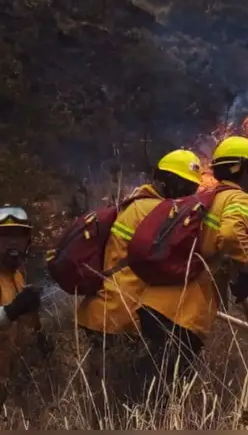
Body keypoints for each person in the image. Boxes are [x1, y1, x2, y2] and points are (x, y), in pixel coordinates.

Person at [134, 136, 248, 399]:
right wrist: (245, 271)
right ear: (240, 170)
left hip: (154, 302)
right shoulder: (240, 199)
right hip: (184, 313)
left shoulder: (204, 198)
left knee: (149, 384)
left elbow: (210, 242)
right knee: (165, 394)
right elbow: (230, 235)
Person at [74, 149, 202, 405]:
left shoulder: (137, 203)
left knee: (103, 396)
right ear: (166, 181)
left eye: (191, 188)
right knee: (121, 399)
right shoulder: (156, 211)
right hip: (120, 315)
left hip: (102, 311)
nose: (188, 193)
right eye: (184, 185)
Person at [0, 206, 47, 406]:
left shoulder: (17, 276)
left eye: (18, 236)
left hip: (10, 385)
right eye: (5, 236)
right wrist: (12, 310)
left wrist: (39, 338)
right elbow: (11, 313)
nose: (12, 242)